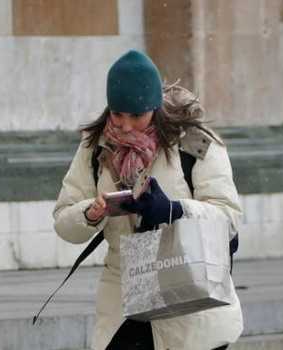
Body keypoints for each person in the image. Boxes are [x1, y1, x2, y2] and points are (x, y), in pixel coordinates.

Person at [53, 50, 243, 350]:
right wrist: (90, 213)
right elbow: (64, 221)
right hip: (124, 300)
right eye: (117, 114)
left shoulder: (193, 142)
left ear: (154, 107)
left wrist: (174, 210)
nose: (125, 126)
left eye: (137, 115)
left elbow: (229, 218)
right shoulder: (94, 147)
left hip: (190, 297)